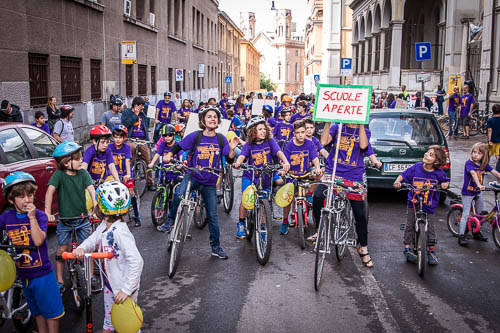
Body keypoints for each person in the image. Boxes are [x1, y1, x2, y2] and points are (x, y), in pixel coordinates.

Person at [160, 106, 240, 259]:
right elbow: (178, 146)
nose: (212, 119)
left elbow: (229, 159)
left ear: (218, 121)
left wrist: (231, 149)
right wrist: (169, 154)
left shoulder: (221, 138)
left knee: (213, 216)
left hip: (210, 182)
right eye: (209, 116)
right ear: (203, 120)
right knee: (179, 194)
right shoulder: (195, 136)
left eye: (215, 117)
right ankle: (170, 221)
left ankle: (216, 247)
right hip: (193, 177)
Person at [73, 181, 143, 333]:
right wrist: (82, 248)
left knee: (127, 323)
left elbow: (137, 262)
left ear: (101, 209)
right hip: (111, 285)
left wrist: (126, 290)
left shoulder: (120, 232)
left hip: (125, 287)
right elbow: (93, 239)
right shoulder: (105, 226)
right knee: (109, 321)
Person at [0, 172, 65, 333]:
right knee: (36, 311)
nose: (27, 200)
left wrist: (31, 218)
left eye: (30, 195)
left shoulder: (40, 216)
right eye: (21, 196)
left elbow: (38, 241)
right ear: (10, 199)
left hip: (43, 275)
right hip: (24, 276)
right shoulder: (6, 217)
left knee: (51, 313)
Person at [313, 121, 374, 268]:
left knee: (360, 214)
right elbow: (324, 141)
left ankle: (363, 248)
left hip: (354, 176)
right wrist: (327, 121)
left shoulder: (365, 131)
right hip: (333, 173)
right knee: (318, 196)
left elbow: (363, 146)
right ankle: (319, 229)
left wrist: (360, 124)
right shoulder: (337, 128)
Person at [44, 142, 97, 292]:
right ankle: (59, 280)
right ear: (66, 163)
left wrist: (95, 208)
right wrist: (48, 213)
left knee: (87, 248)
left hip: (82, 219)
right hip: (64, 221)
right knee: (62, 250)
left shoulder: (83, 173)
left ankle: (91, 276)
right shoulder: (59, 175)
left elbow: (92, 191)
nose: (82, 160)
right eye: (78, 158)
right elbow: (49, 192)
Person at [233, 117, 290, 239]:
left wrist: (285, 162)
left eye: (264, 129)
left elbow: (278, 152)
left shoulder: (270, 141)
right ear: (253, 131)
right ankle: (241, 223)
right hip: (251, 176)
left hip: (266, 175)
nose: (263, 131)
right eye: (260, 129)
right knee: (246, 198)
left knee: (265, 202)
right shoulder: (249, 144)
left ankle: (263, 225)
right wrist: (238, 163)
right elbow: (242, 156)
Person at [393, 145, 450, 265]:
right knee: (409, 225)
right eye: (427, 152)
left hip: (429, 204)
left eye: (430, 154)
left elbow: (446, 180)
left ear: (437, 161)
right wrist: (398, 182)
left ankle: (431, 251)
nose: (426, 154)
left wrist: (445, 184)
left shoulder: (438, 173)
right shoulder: (416, 167)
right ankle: (407, 249)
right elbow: (404, 175)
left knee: (431, 228)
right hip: (414, 203)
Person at [280, 121, 322, 235]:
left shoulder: (309, 143)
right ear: (294, 133)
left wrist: (317, 167)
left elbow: (315, 158)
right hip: (292, 174)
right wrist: (284, 169)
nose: (300, 135)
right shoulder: (289, 145)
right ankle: (285, 221)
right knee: (288, 199)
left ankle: (309, 194)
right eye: (298, 133)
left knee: (320, 174)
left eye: (303, 132)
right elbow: (284, 160)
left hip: (305, 173)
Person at [458, 143, 500, 245]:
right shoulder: (469, 163)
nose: (476, 155)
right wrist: (479, 185)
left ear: (484, 156)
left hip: (478, 192)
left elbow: (494, 172)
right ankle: (461, 235)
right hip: (468, 192)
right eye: (474, 152)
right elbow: (473, 174)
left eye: (479, 153)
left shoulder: (484, 165)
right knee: (466, 214)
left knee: (481, 213)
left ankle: (476, 232)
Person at [109, 125, 141, 226]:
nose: (118, 140)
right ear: (113, 137)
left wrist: (128, 174)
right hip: (113, 175)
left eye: (120, 137)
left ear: (124, 138)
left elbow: (128, 162)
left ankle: (137, 216)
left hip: (125, 173)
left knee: (131, 194)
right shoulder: (109, 147)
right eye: (116, 137)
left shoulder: (127, 147)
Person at [122, 96, 155, 191]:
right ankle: (129, 179)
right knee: (129, 158)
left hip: (142, 140)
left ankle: (150, 182)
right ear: (136, 106)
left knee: (147, 160)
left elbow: (146, 126)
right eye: (141, 106)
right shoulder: (126, 112)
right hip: (130, 139)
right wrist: (135, 115)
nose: (143, 108)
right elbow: (125, 124)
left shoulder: (143, 114)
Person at [488, 104, 500, 172]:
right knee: (498, 155)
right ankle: (498, 167)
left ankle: (486, 167)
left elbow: (490, 130)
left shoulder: (491, 120)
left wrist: (489, 140)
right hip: (499, 140)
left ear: (492, 111)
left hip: (492, 140)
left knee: (488, 154)